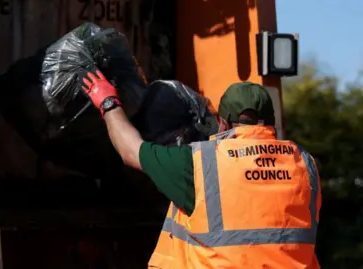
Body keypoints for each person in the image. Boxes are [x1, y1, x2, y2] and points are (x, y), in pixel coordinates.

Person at [80, 69, 322, 268]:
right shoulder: (305, 164)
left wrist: (108, 102)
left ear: (223, 123)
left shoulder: (200, 165)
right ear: (272, 123)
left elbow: (130, 150)